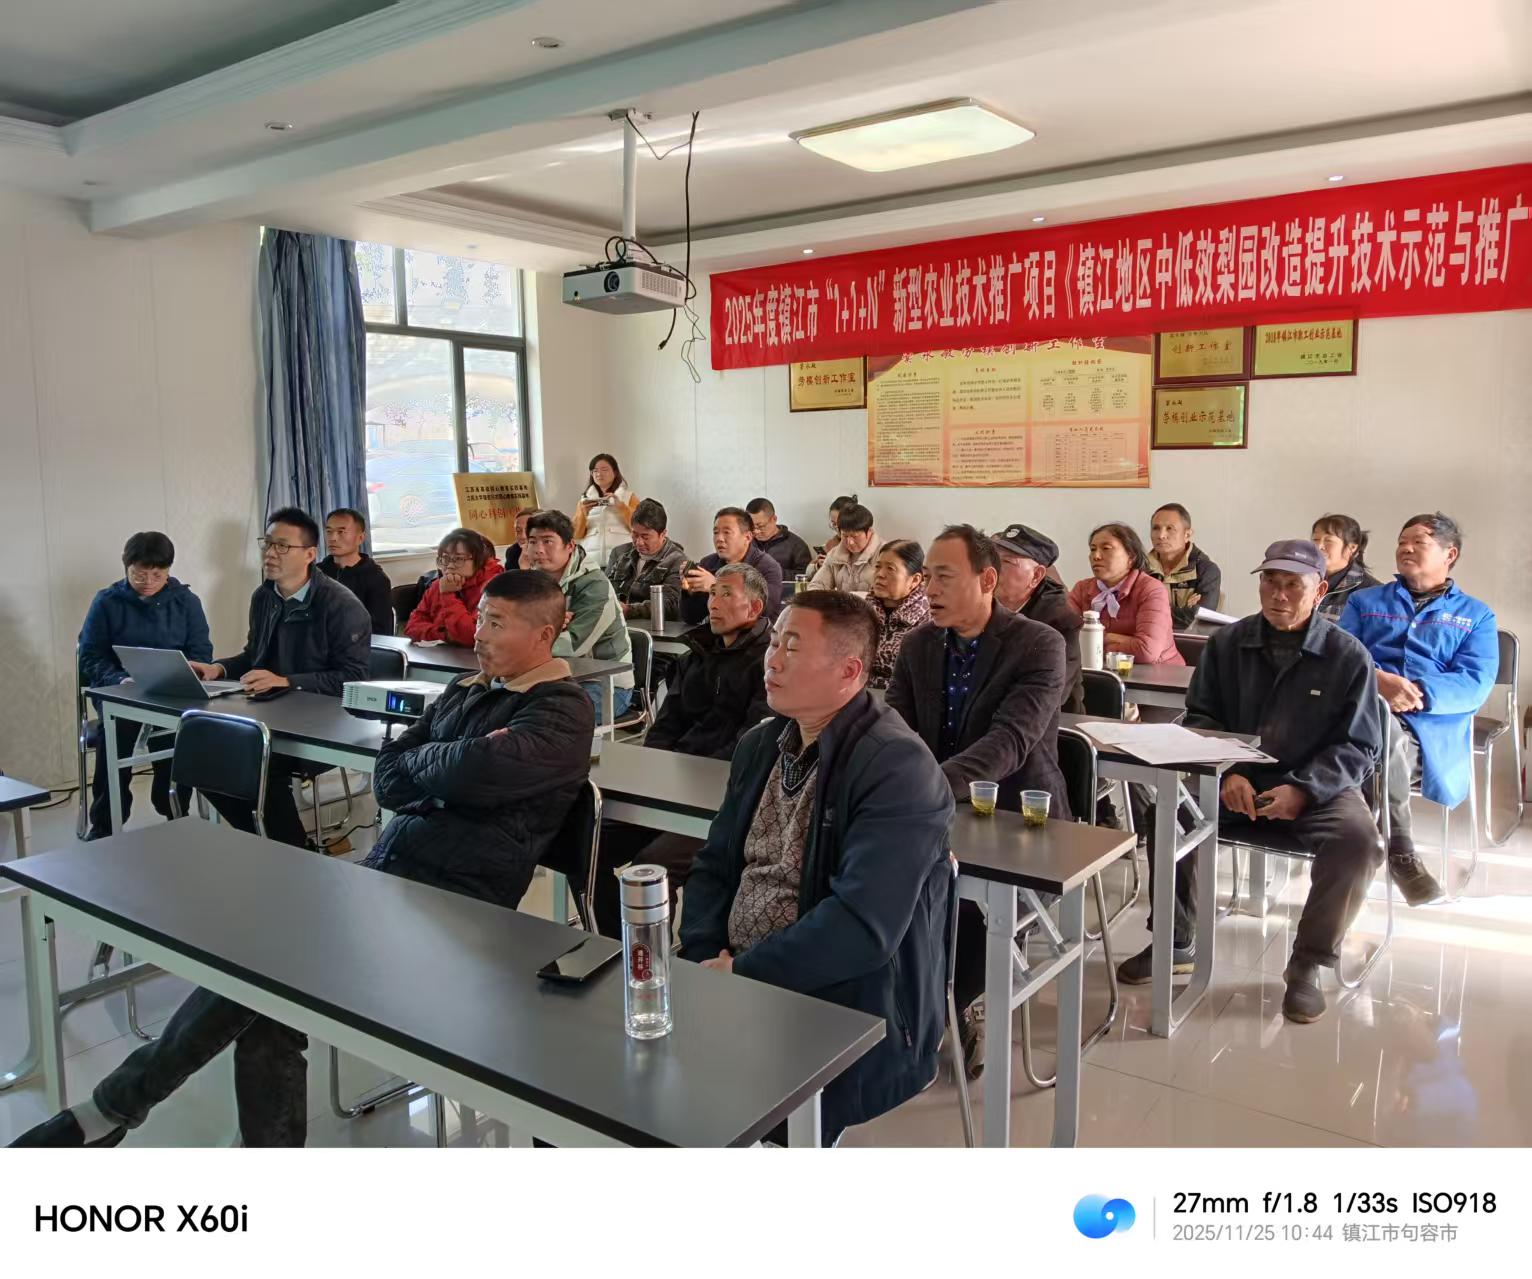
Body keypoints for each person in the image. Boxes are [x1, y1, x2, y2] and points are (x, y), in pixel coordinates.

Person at [12, 570, 594, 1149]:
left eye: (496, 623)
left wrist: (441, 765)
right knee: (268, 979)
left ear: (543, 635)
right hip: (389, 880)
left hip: (462, 912)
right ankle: (127, 1117)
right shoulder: (469, 688)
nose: (479, 633)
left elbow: (470, 770)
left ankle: (106, 1113)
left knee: (268, 972)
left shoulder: (563, 710)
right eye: (481, 618)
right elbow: (389, 777)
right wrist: (446, 768)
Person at [678, 591, 954, 1145]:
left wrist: (742, 976)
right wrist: (705, 959)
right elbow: (713, 865)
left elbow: (861, 928)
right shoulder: (761, 744)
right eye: (774, 643)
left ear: (848, 671)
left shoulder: (897, 767)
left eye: (792, 647)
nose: (772, 659)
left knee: (707, 1119)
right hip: (732, 978)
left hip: (838, 1001)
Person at [1115, 540, 1385, 1024]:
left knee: (1359, 843)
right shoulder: (1228, 644)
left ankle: (1307, 964)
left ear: (1320, 590)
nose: (1278, 594)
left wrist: (1305, 789)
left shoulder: (1347, 656)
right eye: (1270, 582)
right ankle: (1175, 940)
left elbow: (1360, 745)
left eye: (1292, 585)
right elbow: (1201, 717)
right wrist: (1229, 771)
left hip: (1316, 786)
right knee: (1169, 814)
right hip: (1233, 777)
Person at [886, 524, 1068, 1079]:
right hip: (934, 808)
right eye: (927, 577)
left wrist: (924, 789)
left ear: (987, 580)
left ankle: (966, 1003)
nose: (930, 589)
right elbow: (896, 731)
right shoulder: (919, 644)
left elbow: (1009, 742)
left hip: (1017, 816)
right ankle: (899, 1005)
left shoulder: (1039, 644)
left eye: (944, 576)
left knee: (960, 895)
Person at [592, 562, 773, 935]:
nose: (713, 604)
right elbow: (666, 723)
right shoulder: (696, 653)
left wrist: (696, 778)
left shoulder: (769, 663)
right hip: (672, 786)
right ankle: (614, 944)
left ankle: (652, 958)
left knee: (651, 866)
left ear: (754, 608)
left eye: (726, 595)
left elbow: (750, 743)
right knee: (591, 845)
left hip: (724, 799)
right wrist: (657, 769)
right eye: (712, 594)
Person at [186, 508, 371, 848]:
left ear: (310, 554)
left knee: (257, 761)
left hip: (324, 721)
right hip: (272, 712)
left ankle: (292, 852)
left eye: (282, 546)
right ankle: (270, 844)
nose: (270, 553)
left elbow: (353, 679)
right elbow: (254, 656)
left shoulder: (341, 605)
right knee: (202, 755)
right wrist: (219, 669)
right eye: (268, 544)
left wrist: (287, 681)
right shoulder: (264, 597)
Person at [1339, 513, 1498, 906]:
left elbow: (1475, 682)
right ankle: (1399, 852)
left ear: (1450, 554)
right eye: (1401, 542)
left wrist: (1417, 693)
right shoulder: (1365, 601)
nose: (1405, 548)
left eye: (1418, 542)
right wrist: (1379, 683)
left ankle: (1360, 849)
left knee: (1374, 747)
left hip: (1427, 733)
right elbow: (1340, 656)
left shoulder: (1476, 615)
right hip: (1363, 711)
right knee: (1379, 728)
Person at [79, 532, 212, 840]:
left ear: (168, 570)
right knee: (115, 734)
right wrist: (118, 679)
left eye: (157, 575)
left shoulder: (186, 602)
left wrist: (186, 673)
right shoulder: (107, 601)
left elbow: (201, 653)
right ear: (127, 567)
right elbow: (90, 655)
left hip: (171, 693)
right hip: (120, 692)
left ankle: (174, 808)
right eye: (140, 574)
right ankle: (105, 823)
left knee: (183, 731)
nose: (149, 582)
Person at [524, 509, 635, 724]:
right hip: (554, 678)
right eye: (532, 541)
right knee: (499, 703)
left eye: (547, 541)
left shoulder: (594, 586)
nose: (538, 549)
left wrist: (528, 639)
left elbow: (573, 646)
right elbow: (514, 625)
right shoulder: (532, 584)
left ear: (570, 546)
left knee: (544, 718)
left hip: (605, 685)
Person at [991, 522, 1084, 714]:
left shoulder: (1061, 620)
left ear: (1036, 575)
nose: (994, 570)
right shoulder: (982, 607)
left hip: (1050, 725)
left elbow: (1046, 696)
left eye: (1007, 562)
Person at [1067, 522, 1184, 665]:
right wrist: (1120, 640)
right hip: (1102, 672)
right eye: (1093, 549)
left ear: (1131, 557)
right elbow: (1066, 641)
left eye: (1106, 548)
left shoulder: (1151, 589)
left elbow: (1146, 651)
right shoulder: (1082, 589)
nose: (1096, 556)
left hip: (1159, 674)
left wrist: (1093, 639)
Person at [678, 507, 785, 623]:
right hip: (715, 631)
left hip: (754, 633)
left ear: (748, 537)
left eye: (727, 532)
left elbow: (763, 610)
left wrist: (716, 587)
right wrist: (689, 591)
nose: (719, 539)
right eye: (716, 533)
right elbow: (691, 618)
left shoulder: (768, 567)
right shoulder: (708, 563)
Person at [404, 528, 503, 646]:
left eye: (459, 559)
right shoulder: (439, 585)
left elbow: (473, 636)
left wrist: (448, 595)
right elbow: (411, 627)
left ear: (479, 560)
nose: (450, 566)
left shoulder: (494, 588)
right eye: (445, 558)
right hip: (442, 654)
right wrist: (446, 635)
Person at [604, 498, 686, 620]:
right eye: (635, 535)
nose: (639, 542)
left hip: (652, 627)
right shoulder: (621, 554)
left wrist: (629, 610)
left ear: (663, 534)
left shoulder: (677, 561)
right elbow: (604, 590)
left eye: (645, 537)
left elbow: (671, 605)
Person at [318, 507, 394, 636]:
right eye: (329, 531)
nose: (333, 538)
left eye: (341, 532)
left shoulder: (376, 579)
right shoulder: (316, 573)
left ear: (360, 538)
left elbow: (381, 631)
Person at [1146, 503, 1222, 629]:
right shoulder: (1140, 567)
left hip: (1187, 639)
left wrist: (1148, 609)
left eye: (1170, 528)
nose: (1161, 535)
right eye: (1156, 528)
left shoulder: (1206, 570)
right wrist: (1183, 610)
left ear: (1187, 535)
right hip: (1147, 636)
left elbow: (1199, 619)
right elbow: (1128, 612)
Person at [867, 539, 929, 689]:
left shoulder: (930, 621)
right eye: (878, 566)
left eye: (890, 569)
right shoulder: (862, 611)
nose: (880, 574)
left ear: (915, 580)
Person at [1312, 513, 1381, 621]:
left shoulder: (1371, 591)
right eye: (1315, 539)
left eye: (1328, 541)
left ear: (1352, 547)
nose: (1319, 546)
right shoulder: (1301, 578)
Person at [572, 452, 638, 567]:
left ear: (615, 472)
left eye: (604, 469)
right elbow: (576, 534)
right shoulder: (584, 500)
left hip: (622, 561)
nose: (599, 474)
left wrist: (620, 506)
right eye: (595, 471)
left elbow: (639, 527)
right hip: (591, 562)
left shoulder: (629, 497)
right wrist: (583, 513)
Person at [808, 502, 881, 594]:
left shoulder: (884, 554)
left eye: (855, 536)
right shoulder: (834, 555)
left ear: (869, 531)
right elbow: (817, 585)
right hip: (842, 603)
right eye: (845, 536)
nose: (850, 542)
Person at [746, 497, 813, 579]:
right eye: (752, 527)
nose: (756, 531)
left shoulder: (797, 545)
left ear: (774, 519)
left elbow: (806, 576)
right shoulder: (745, 542)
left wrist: (775, 572)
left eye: (761, 526)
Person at [502, 507, 540, 572]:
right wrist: (524, 568)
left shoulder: (552, 551)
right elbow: (510, 577)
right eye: (518, 531)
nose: (523, 536)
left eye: (528, 530)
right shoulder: (513, 552)